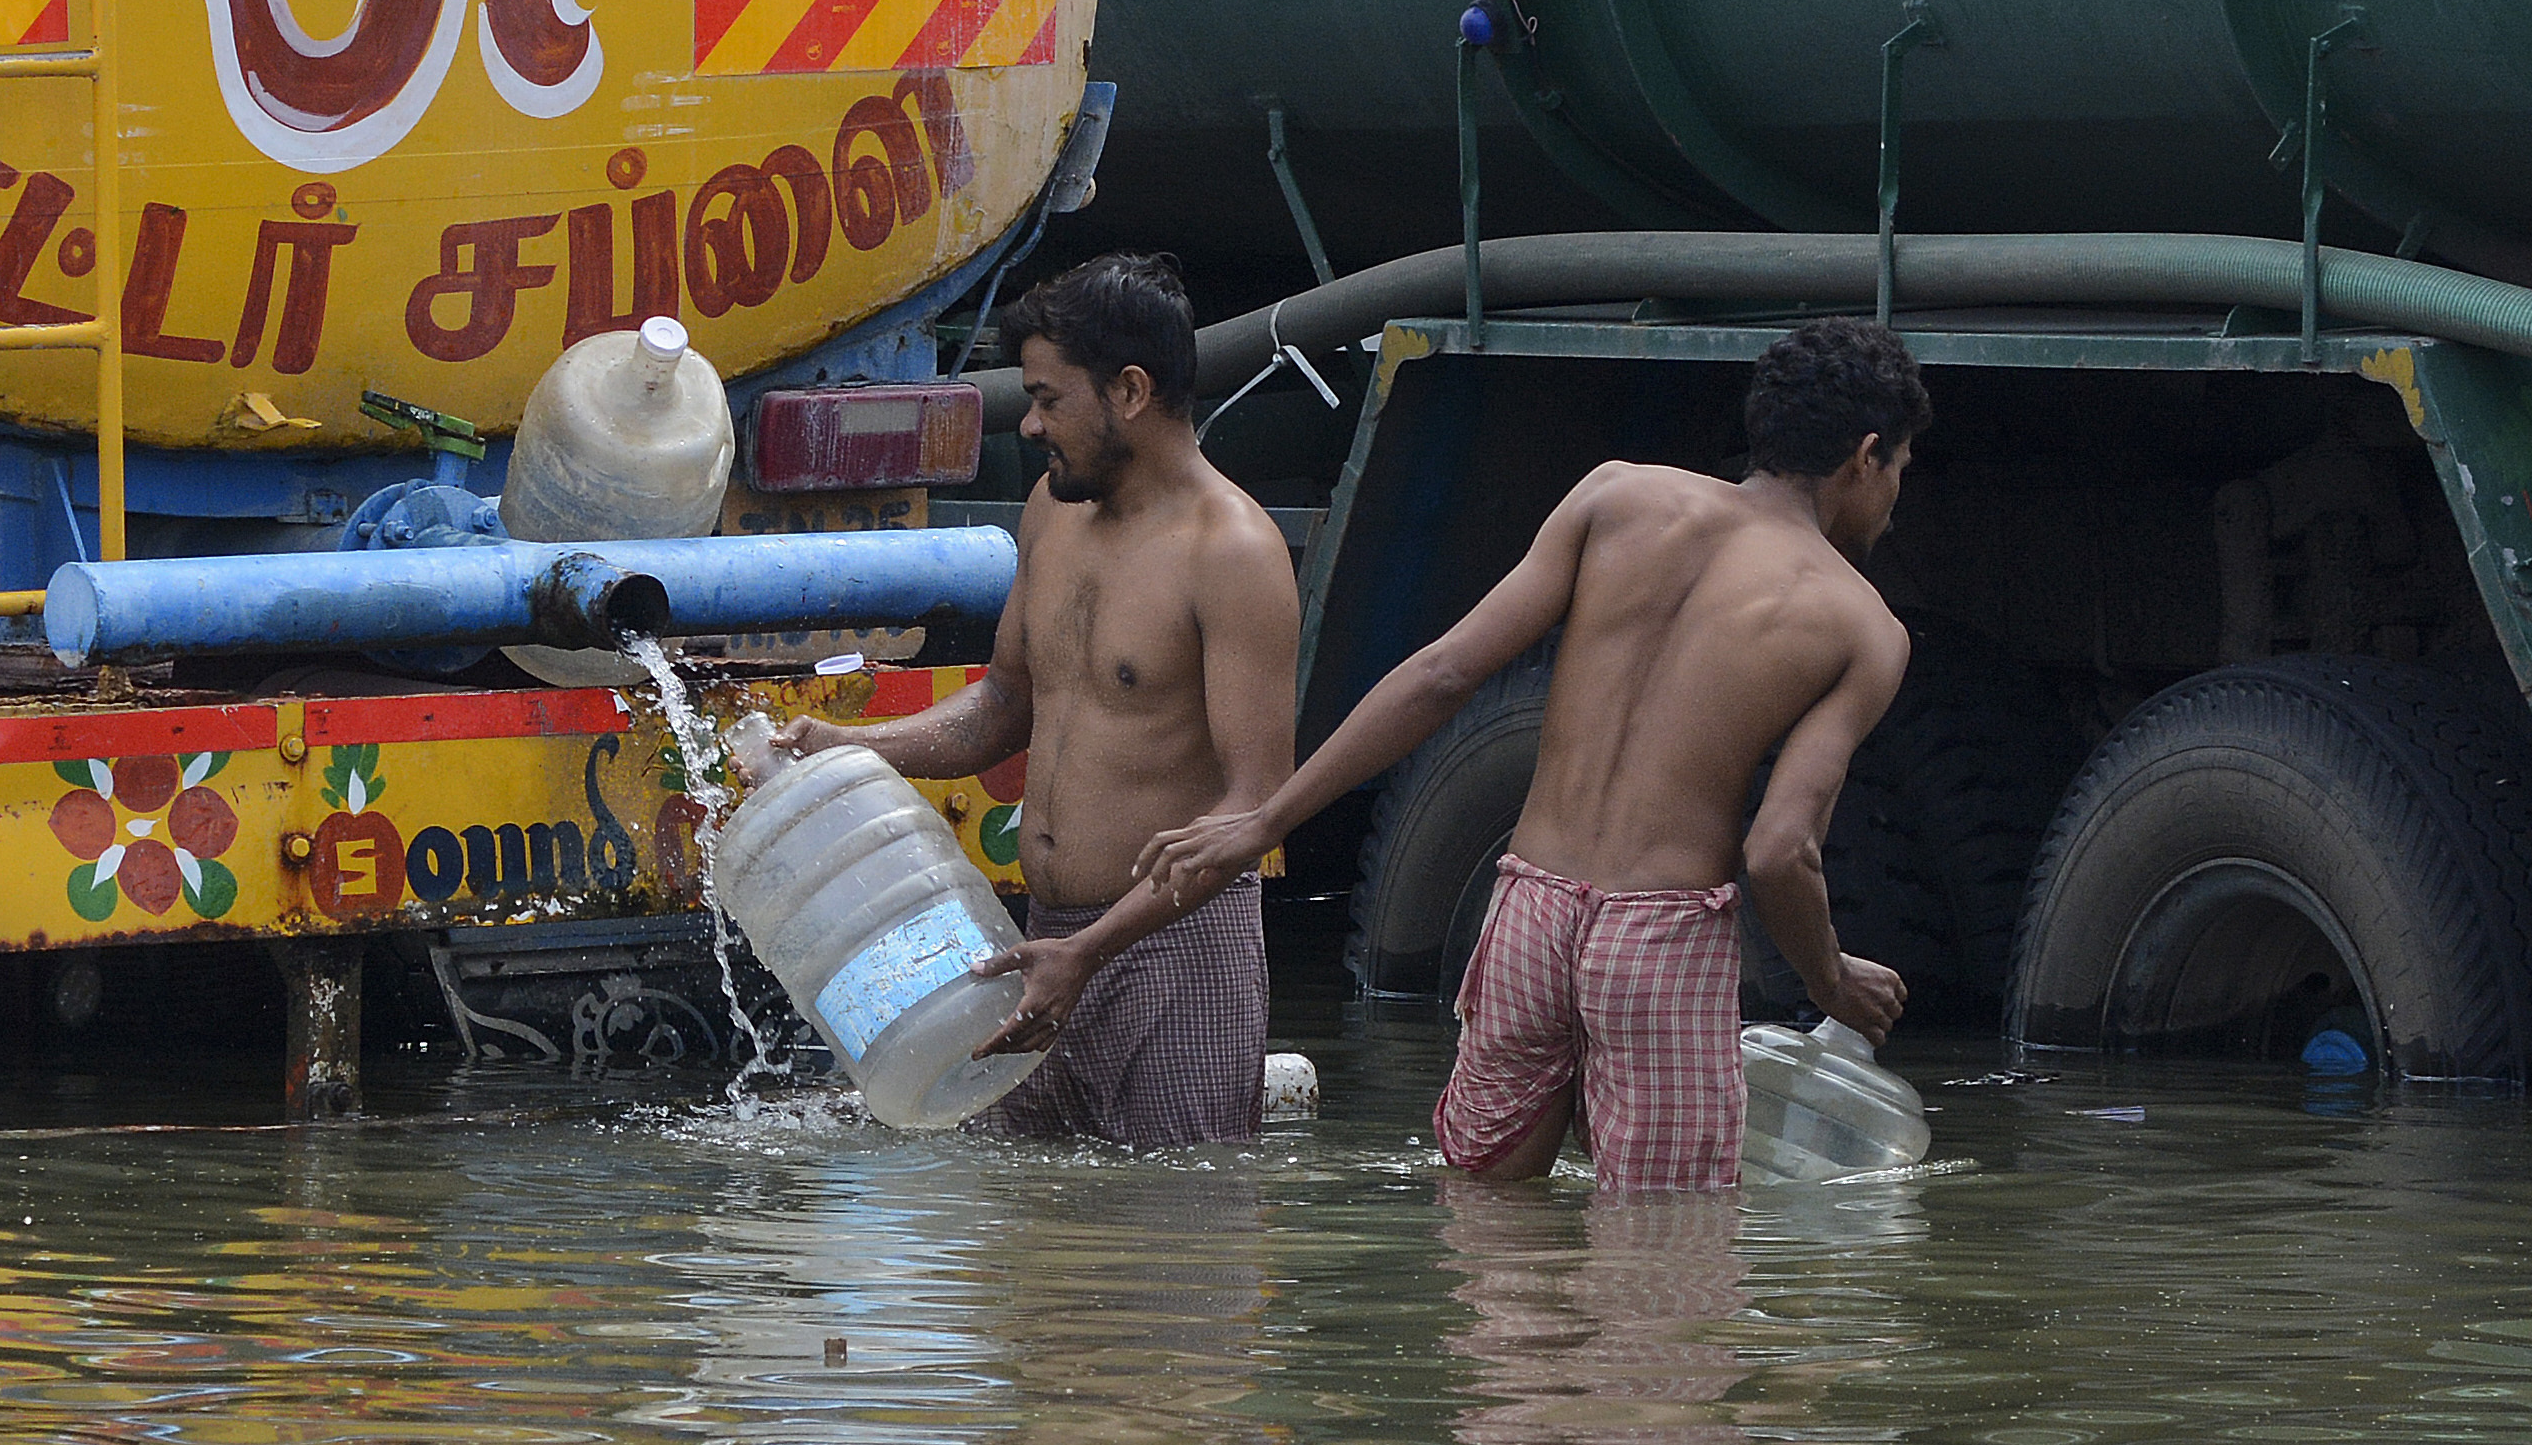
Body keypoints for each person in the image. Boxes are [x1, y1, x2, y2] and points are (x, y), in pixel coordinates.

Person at [1136, 315, 1928, 1190]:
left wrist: (1265, 822)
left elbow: (1441, 673)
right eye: (1900, 469)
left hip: (1527, 915)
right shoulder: (1862, 626)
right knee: (1661, 1271)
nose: (1895, 504)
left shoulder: (1615, 497)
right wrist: (1830, 980)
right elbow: (1781, 850)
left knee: (1489, 1227)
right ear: (1866, 455)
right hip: (1659, 940)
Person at [772, 252, 1299, 1148]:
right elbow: (1001, 706)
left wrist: (1092, 952)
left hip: (1174, 961)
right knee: (1041, 1261)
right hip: (1039, 944)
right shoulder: (1053, 513)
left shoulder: (1233, 552)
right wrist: (845, 747)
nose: (1032, 425)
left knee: (1180, 1255)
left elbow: (1254, 808)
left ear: (1129, 391)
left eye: (1051, 399)